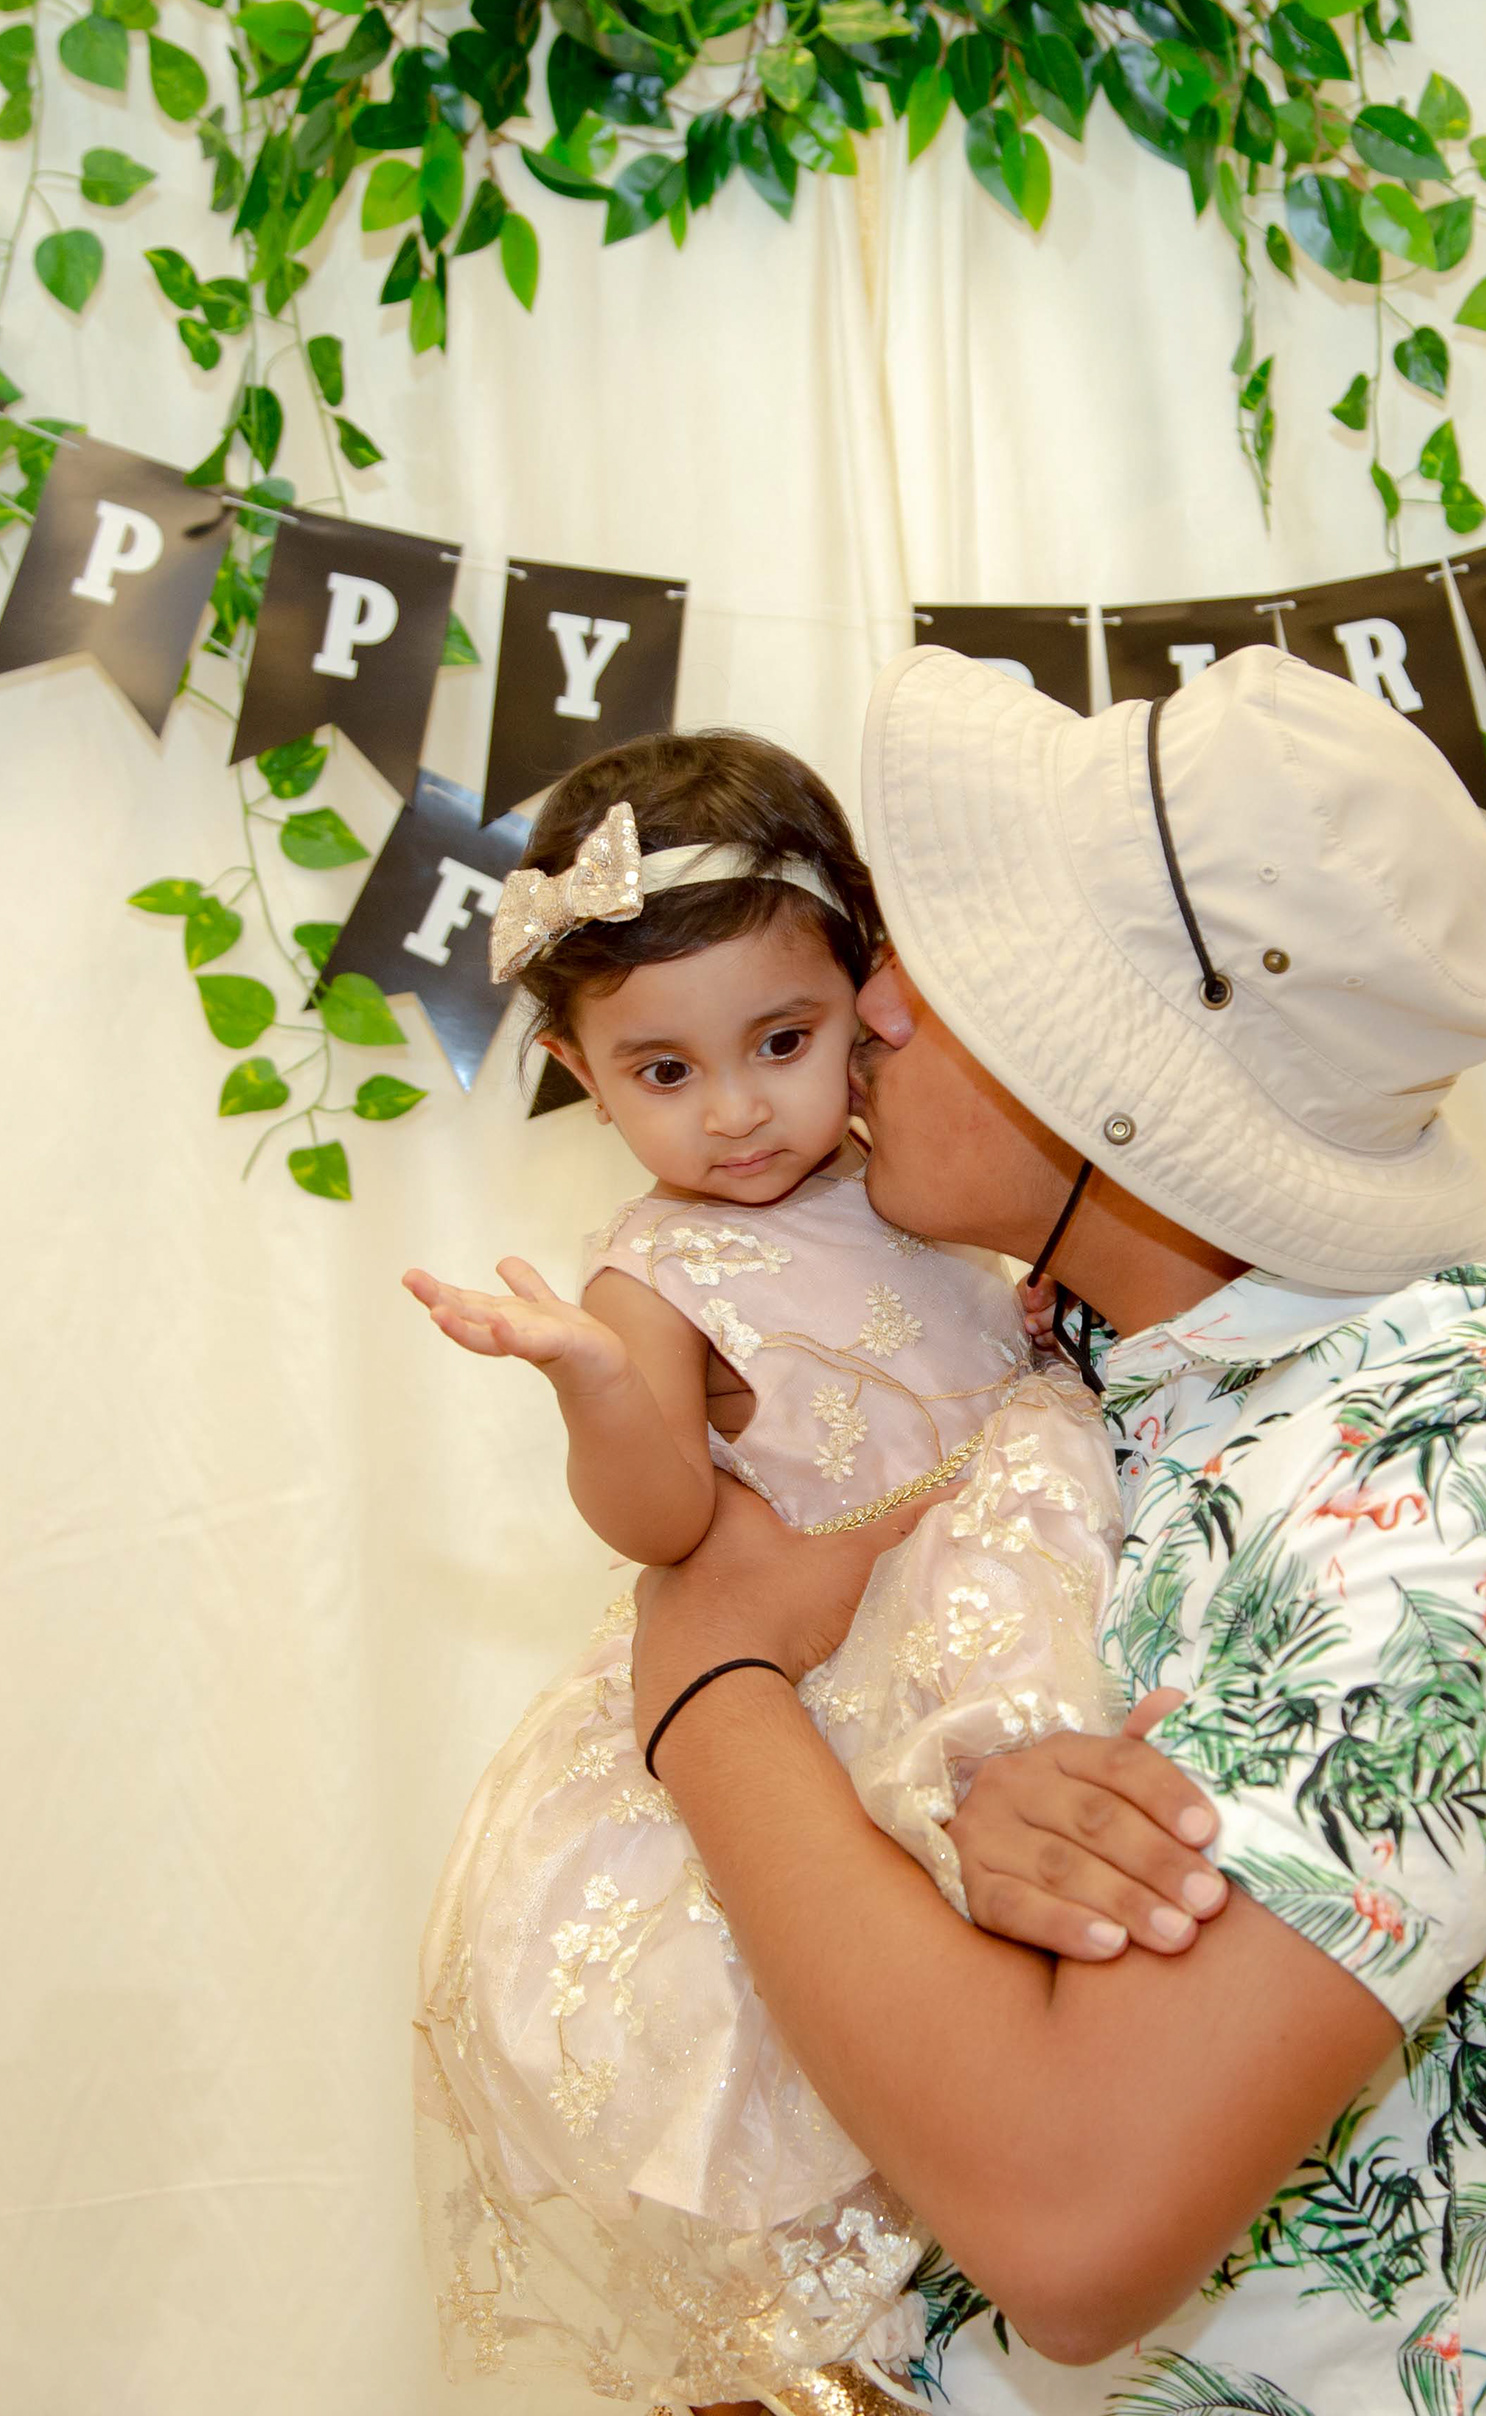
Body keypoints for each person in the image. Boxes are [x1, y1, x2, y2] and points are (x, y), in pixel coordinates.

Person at [623, 645, 1486, 2412]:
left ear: (1118, 1074)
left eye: (951, 967)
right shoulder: (1033, 1373)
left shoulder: (1483, 1455)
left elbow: (1074, 2222)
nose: (870, 1004)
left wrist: (709, 1686)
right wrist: (936, 1825)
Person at [400, 729, 1122, 2415]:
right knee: (820, 2160)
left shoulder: (933, 1174)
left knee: (1008, 2093)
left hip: (999, 1638)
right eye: (663, 1071)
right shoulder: (659, 1269)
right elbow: (662, 1522)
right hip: (823, 1720)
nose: (733, 1112)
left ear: (864, 997)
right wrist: (596, 1382)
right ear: (581, 1074)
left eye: (780, 1044)